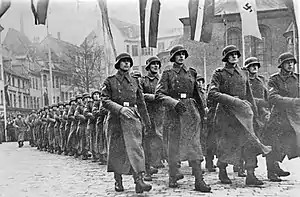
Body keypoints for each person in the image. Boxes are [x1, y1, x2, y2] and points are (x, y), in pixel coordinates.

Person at [155, 45, 211, 192]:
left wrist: (201, 112)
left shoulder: (191, 72)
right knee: (173, 144)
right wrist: (173, 103)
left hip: (190, 112)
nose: (181, 56)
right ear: (173, 57)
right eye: (178, 54)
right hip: (174, 113)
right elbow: (159, 94)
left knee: (194, 145)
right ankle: (173, 175)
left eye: (183, 54)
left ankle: (199, 180)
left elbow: (197, 94)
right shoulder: (167, 73)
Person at [208, 45, 265, 186]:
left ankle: (251, 174)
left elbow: (249, 96)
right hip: (226, 115)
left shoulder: (243, 73)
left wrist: (255, 115)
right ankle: (222, 170)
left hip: (244, 115)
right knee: (226, 144)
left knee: (250, 142)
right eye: (231, 54)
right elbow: (212, 93)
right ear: (225, 57)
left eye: (236, 54)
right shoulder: (219, 73)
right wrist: (234, 100)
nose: (234, 56)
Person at [101, 52, 152, 193]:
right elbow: (104, 100)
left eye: (128, 61)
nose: (126, 64)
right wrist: (120, 109)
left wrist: (146, 122)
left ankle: (139, 181)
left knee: (136, 149)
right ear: (118, 64)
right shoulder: (109, 81)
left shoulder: (135, 81)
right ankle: (118, 180)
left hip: (132, 118)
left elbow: (141, 103)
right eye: (123, 61)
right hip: (116, 119)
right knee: (117, 150)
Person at [262, 52, 300, 182]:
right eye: (287, 63)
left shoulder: (297, 78)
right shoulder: (274, 79)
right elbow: (272, 97)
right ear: (281, 65)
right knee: (275, 143)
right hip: (279, 116)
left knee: (290, 142)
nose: (290, 65)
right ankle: (271, 171)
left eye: (292, 63)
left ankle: (275, 166)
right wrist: (292, 101)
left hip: (294, 116)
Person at [140, 56, 164, 181]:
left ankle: (157, 162)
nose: (155, 66)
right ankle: (146, 169)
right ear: (148, 66)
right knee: (147, 141)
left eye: (157, 64)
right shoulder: (142, 81)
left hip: (161, 113)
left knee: (161, 139)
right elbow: (139, 95)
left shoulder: (161, 79)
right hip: (148, 113)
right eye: (153, 64)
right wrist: (153, 97)